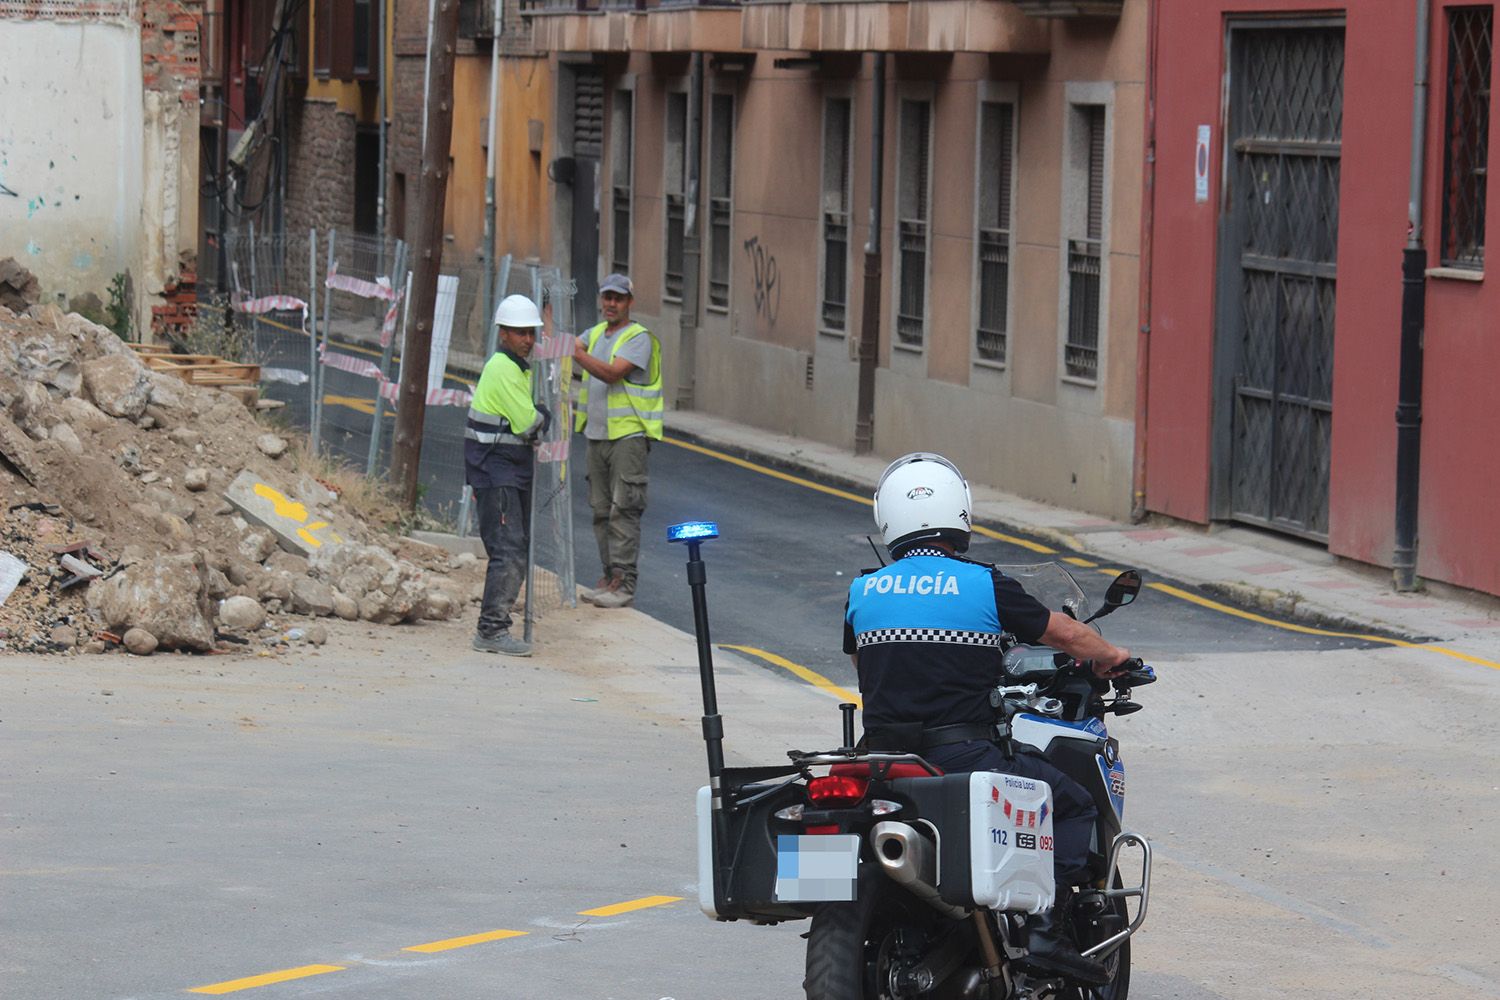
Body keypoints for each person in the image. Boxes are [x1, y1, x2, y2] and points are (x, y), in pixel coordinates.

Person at [843, 452, 1132, 986]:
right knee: (1071, 805)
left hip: (881, 757)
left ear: (888, 519)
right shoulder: (980, 583)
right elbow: (1066, 635)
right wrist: (1110, 655)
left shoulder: (864, 590)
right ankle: (1046, 931)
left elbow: (866, 666)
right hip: (962, 753)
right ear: (960, 514)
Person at [465, 294, 551, 657]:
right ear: (503, 333)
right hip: (497, 471)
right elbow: (529, 423)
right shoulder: (503, 369)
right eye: (519, 333)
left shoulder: (516, 368)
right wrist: (544, 415)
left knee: (512, 547)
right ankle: (491, 629)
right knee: (509, 550)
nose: (527, 340)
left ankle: (495, 626)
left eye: (530, 333)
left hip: (505, 471)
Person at [571, 272, 663, 609]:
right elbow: (575, 351)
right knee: (600, 510)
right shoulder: (595, 334)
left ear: (629, 302)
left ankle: (624, 583)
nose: (611, 303)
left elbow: (610, 372)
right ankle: (608, 577)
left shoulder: (638, 338)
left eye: (618, 298)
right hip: (596, 435)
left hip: (628, 437)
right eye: (607, 297)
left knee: (623, 510)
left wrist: (576, 353)